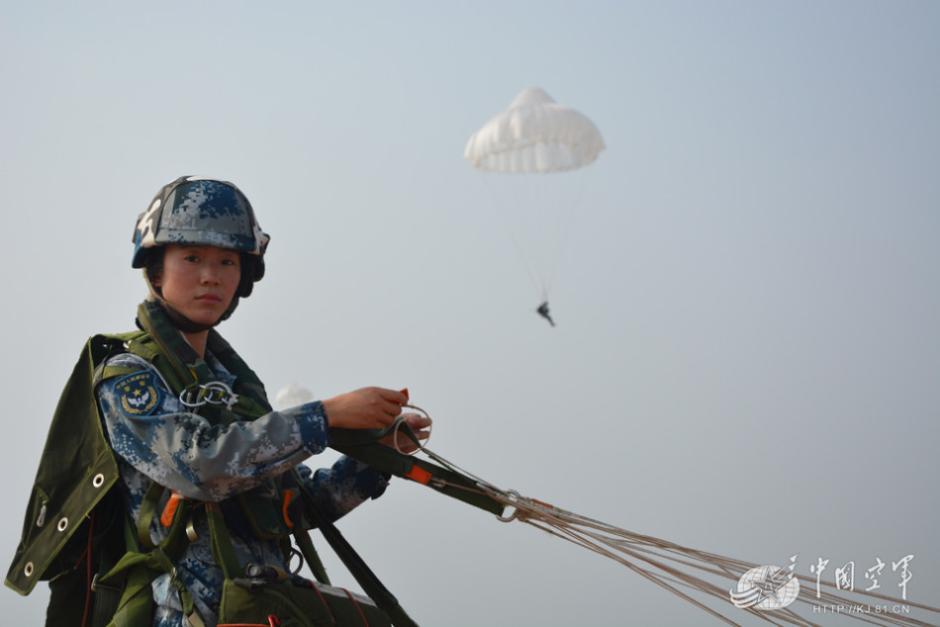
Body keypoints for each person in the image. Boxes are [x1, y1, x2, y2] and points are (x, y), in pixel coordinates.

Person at [6, 176, 430, 627]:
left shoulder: (236, 389)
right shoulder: (127, 376)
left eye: (227, 261)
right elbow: (200, 467)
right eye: (192, 258)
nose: (211, 275)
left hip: (257, 611)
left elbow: (295, 504)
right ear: (155, 270)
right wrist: (324, 416)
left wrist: (377, 458)